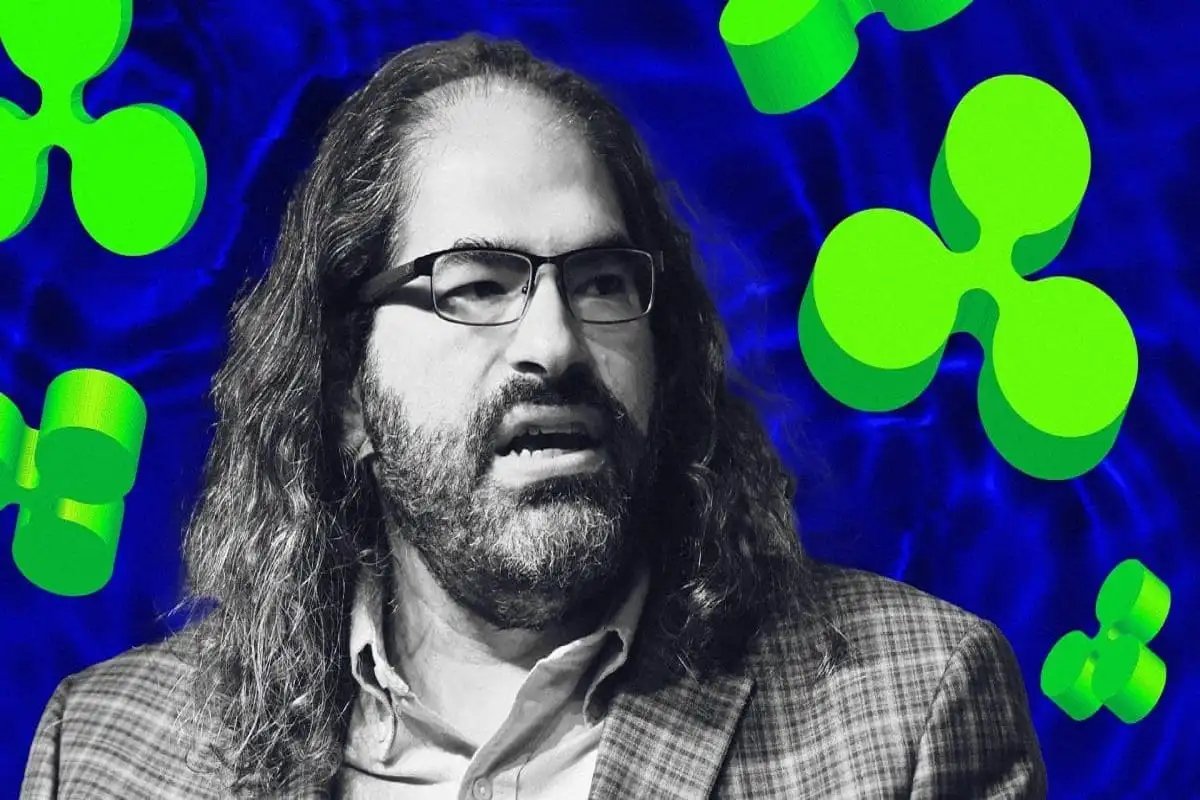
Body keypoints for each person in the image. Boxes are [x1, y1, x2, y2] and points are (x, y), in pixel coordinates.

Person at [22, 33, 1047, 799]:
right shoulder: (105, 753)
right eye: (474, 284)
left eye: (600, 281)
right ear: (345, 395)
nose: (555, 342)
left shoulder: (913, 712)